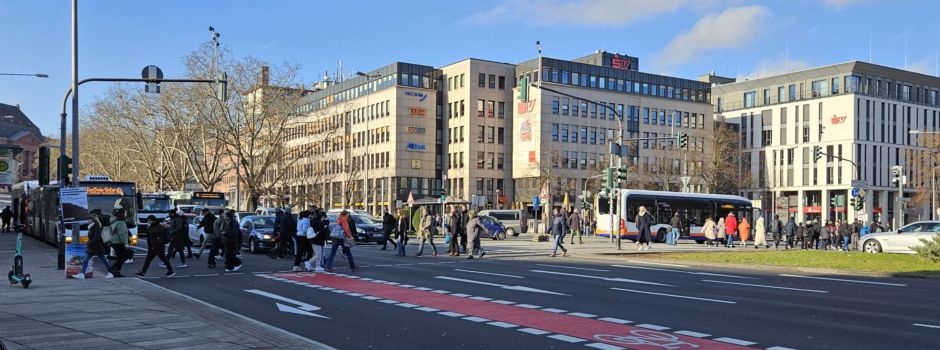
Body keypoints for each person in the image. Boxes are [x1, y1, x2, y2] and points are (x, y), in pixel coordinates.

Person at [74, 213, 112, 279]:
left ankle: (111, 272)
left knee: (103, 260)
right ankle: (82, 274)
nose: (87, 221)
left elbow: (96, 238)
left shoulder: (97, 227)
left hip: (97, 247)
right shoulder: (91, 227)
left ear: (92, 220)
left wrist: (88, 243)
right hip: (93, 247)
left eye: (88, 219)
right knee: (86, 260)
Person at [108, 206, 131, 278]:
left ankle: (116, 272)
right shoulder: (121, 222)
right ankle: (112, 269)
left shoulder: (114, 220)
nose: (126, 213)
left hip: (114, 242)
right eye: (125, 212)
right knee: (127, 255)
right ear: (122, 213)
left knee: (120, 257)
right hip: (119, 242)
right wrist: (125, 243)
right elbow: (122, 234)